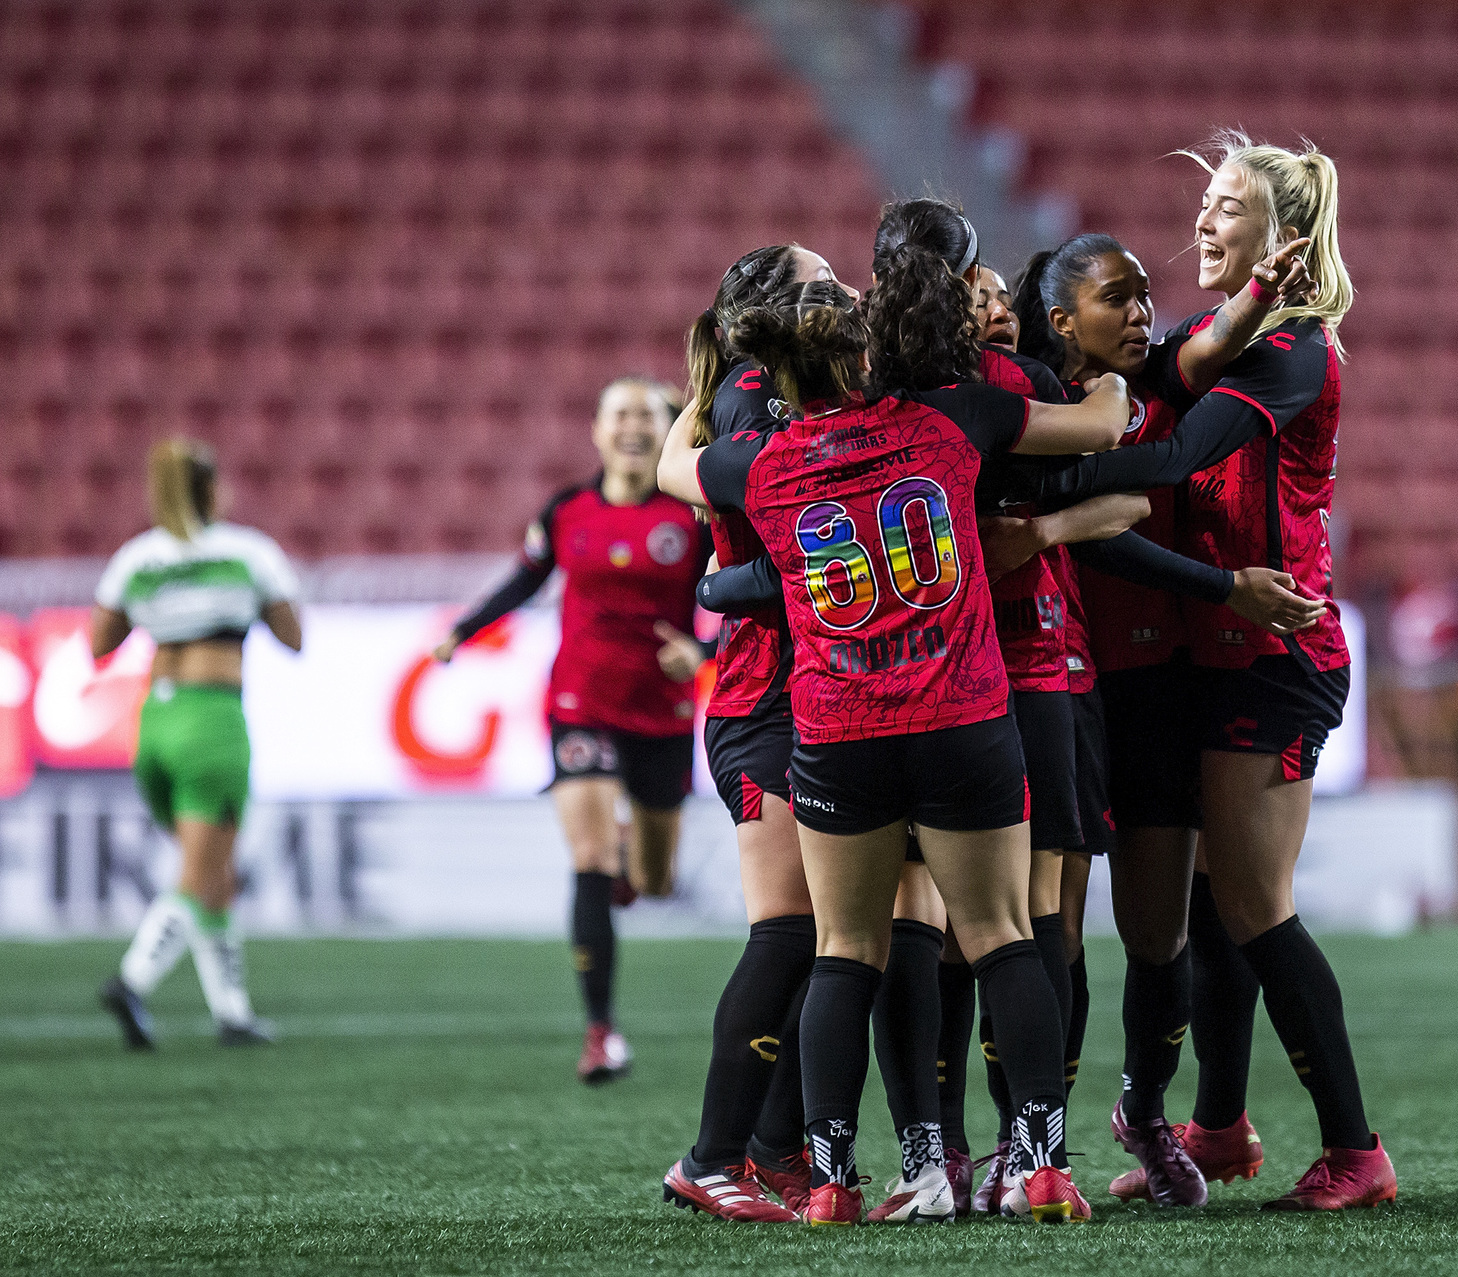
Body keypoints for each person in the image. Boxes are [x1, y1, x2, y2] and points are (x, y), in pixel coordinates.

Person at [657, 253, 1132, 1226]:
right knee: (1003, 935)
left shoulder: (765, 463)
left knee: (842, 948)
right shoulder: (948, 420)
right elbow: (1104, 430)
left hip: (838, 729)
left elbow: (675, 472)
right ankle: (1042, 1161)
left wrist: (706, 372)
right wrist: (1123, 379)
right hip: (961, 714)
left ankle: (831, 1179)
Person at [1037, 133, 1396, 1212]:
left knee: (1254, 903)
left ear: (1279, 236)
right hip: (1215, 650)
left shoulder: (1298, 352)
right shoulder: (1220, 329)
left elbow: (1180, 452)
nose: (1201, 221)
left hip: (1274, 651)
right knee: (1213, 900)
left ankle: (1355, 1148)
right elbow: (1173, 367)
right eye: (1202, 205)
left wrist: (1047, 485)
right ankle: (1221, 1124)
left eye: (1226, 207)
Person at [433, 377, 708, 1086]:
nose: (632, 427)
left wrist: (703, 653)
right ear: (596, 430)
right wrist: (464, 629)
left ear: (666, 427)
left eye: (646, 415)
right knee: (588, 857)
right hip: (578, 701)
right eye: (619, 414)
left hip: (662, 709)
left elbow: (738, 593)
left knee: (652, 878)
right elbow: (525, 580)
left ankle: (626, 865)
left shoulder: (695, 512)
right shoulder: (566, 511)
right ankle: (600, 1032)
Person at [662, 243, 852, 1222]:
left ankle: (774, 1149)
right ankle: (712, 1154)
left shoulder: (767, 395)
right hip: (763, 696)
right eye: (824, 283)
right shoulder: (754, 398)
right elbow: (780, 550)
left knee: (820, 931)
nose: (845, 291)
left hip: (798, 690)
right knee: (786, 929)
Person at [96, 440, 301, 1050]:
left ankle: (232, 1014)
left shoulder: (137, 558)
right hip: (212, 721)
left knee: (215, 874)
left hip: (155, 721)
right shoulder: (248, 552)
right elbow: (293, 636)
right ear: (211, 491)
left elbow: (99, 641)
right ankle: (133, 979)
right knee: (203, 870)